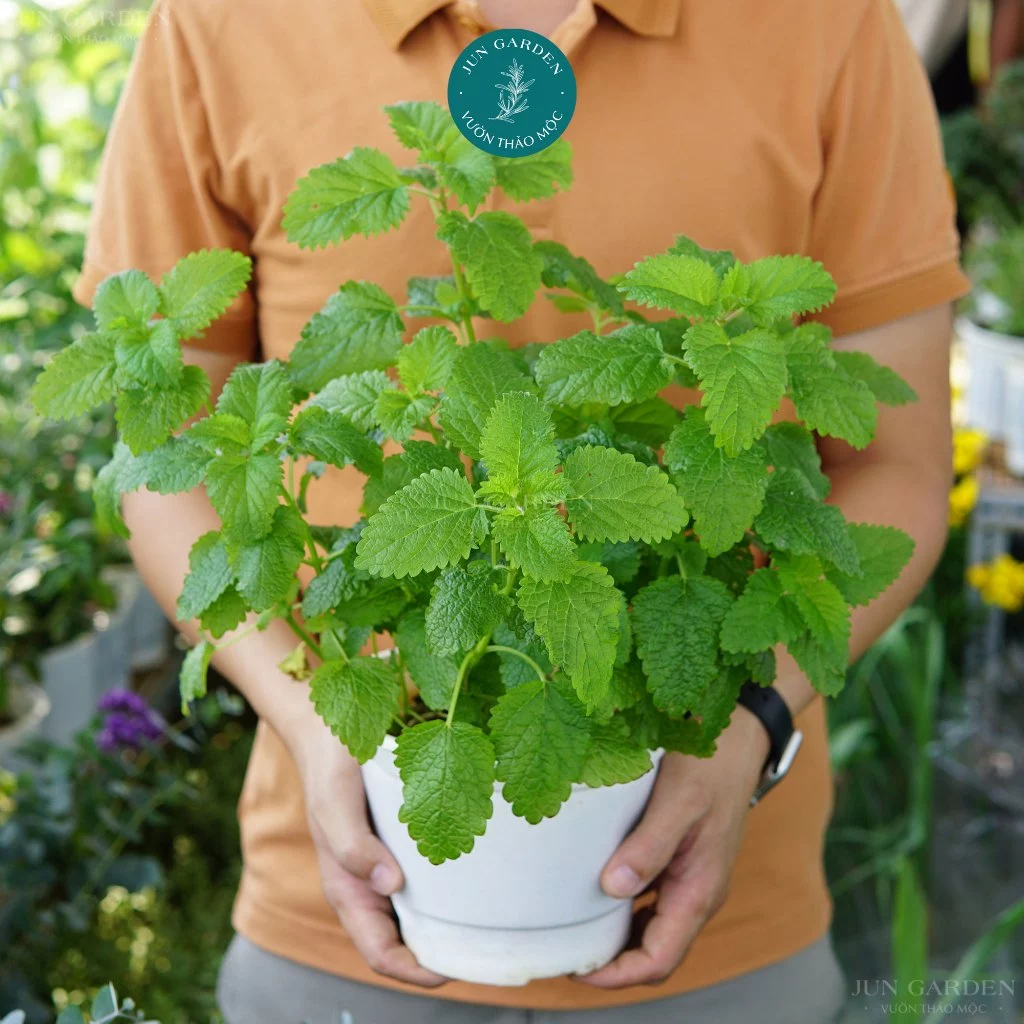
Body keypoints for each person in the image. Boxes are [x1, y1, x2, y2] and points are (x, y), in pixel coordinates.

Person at [73, 0, 969, 1021]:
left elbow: (893, 463)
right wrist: (314, 722)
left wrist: (751, 723)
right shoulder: (220, 21)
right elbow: (166, 460)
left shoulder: (825, 20)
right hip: (349, 904)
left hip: (723, 934)